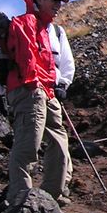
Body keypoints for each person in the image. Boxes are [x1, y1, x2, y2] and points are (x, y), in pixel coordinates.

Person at [4, 0, 71, 208]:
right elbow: (27, 59)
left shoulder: (47, 28)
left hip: (46, 90)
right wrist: (37, 86)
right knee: (28, 142)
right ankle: (21, 198)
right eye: (54, 1)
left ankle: (51, 195)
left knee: (59, 140)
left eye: (60, 2)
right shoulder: (25, 23)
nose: (58, 6)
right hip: (30, 89)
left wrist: (55, 85)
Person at [48, 22, 75, 199]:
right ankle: (62, 181)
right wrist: (63, 83)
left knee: (55, 134)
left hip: (32, 91)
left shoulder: (55, 31)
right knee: (57, 134)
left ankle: (62, 180)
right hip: (49, 90)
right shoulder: (55, 31)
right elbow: (67, 61)